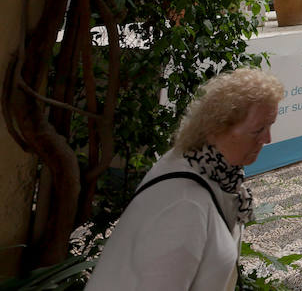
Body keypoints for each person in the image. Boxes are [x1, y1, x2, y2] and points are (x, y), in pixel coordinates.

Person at [88, 68, 284, 290]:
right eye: (258, 130)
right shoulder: (184, 205)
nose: (267, 138)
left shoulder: (212, 171)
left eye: (270, 126)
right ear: (217, 127)